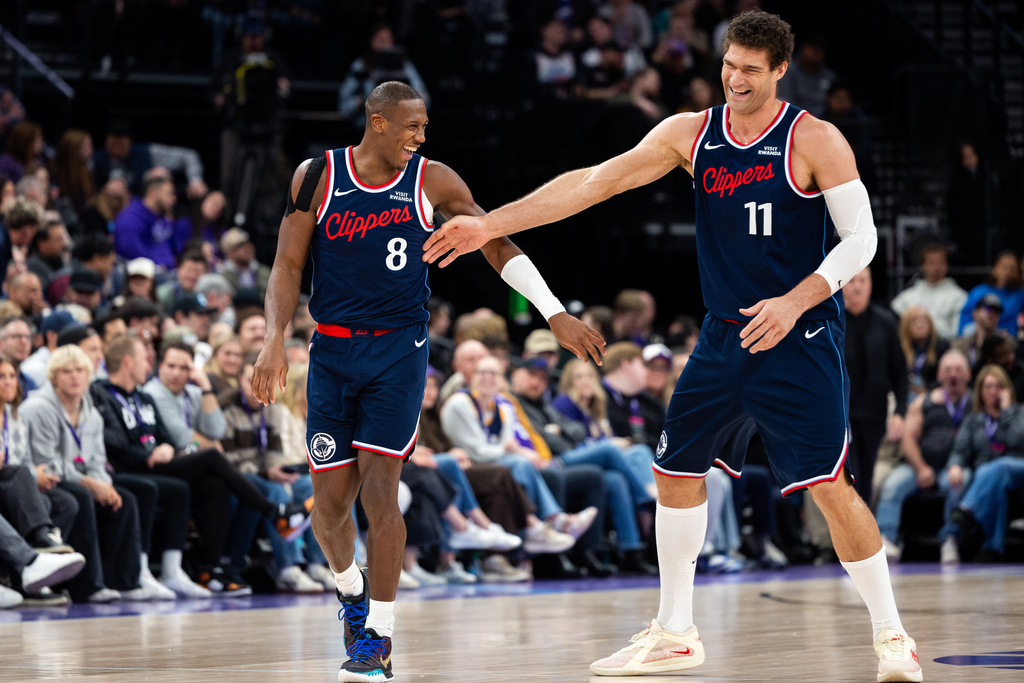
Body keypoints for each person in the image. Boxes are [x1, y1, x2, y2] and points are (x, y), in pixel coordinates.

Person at [424, 10, 921, 681]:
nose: (735, 78)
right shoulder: (691, 135)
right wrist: (489, 226)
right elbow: (593, 182)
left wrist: (797, 298)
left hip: (797, 334)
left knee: (828, 486)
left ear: (779, 71)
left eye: (751, 68)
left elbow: (862, 240)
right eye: (728, 64)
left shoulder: (815, 139)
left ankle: (892, 636)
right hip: (722, 336)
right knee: (675, 470)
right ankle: (677, 630)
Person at [250, 81, 605, 683]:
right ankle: (350, 592)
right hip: (331, 354)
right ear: (379, 122)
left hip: (398, 354)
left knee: (380, 493)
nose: (421, 137)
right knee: (330, 508)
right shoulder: (316, 177)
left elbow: (495, 242)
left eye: (424, 128)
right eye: (412, 126)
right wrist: (271, 339)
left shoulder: (434, 181)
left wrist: (553, 311)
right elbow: (287, 265)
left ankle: (378, 640)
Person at [875, 349, 972, 563]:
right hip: (920, 465)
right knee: (892, 485)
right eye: (947, 369)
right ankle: (886, 540)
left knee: (958, 482)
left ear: (968, 374)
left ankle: (950, 540)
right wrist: (921, 468)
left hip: (954, 466)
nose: (952, 374)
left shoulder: (975, 402)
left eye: (958, 369)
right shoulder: (923, 401)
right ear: (939, 375)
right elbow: (907, 438)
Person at [946, 364, 1024, 562]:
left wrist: (1007, 410)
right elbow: (960, 449)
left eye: (998, 386)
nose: (993, 391)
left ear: (1006, 389)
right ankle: (992, 548)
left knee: (999, 467)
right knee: (992, 480)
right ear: (980, 390)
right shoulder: (974, 420)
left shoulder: (1018, 413)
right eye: (988, 386)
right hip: (988, 476)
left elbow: (1016, 440)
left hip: (1017, 468)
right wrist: (955, 465)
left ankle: (966, 510)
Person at [890, 242, 966, 341]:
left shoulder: (959, 297)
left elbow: (959, 333)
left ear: (946, 265)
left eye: (940, 262)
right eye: (931, 262)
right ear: (922, 265)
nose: (936, 267)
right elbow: (893, 321)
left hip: (944, 348)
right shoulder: (907, 297)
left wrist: (929, 328)